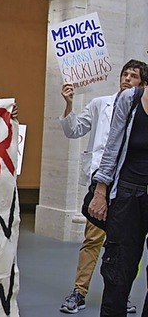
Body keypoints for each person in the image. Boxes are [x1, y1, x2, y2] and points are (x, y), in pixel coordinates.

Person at [58, 59, 147, 314]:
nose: (127, 78)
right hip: (106, 185)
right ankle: (80, 291)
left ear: (142, 82)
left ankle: (123, 291)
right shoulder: (101, 104)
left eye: (134, 75)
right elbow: (74, 130)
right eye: (125, 74)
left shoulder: (136, 104)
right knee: (94, 240)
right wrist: (68, 104)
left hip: (129, 188)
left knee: (129, 249)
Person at [88, 59, 148, 316]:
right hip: (127, 195)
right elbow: (112, 146)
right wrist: (101, 192)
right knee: (118, 272)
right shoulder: (131, 100)